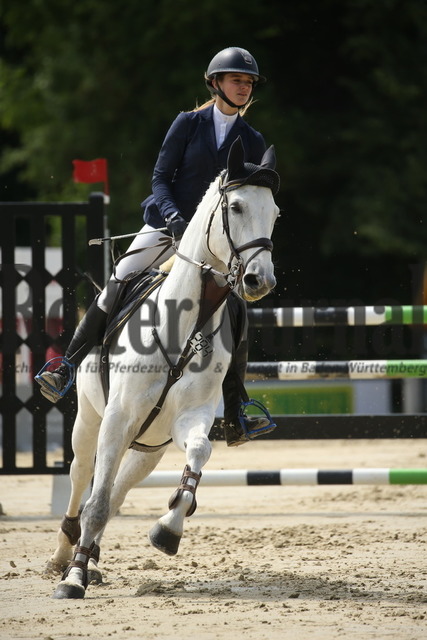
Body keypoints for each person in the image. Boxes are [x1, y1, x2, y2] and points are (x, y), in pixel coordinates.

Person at [36, 46, 277, 447]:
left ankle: (237, 412)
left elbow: (247, 200)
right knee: (120, 277)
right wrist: (174, 219)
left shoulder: (252, 140)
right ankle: (67, 367)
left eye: (248, 82)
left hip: (216, 243)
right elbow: (161, 178)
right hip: (167, 225)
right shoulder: (188, 124)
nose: (243, 86)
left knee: (235, 308)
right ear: (215, 83)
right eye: (237, 79)